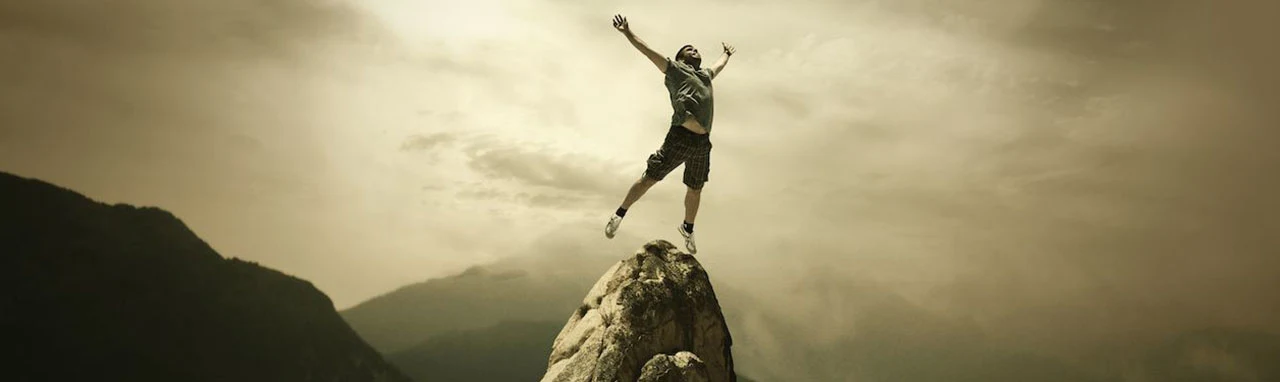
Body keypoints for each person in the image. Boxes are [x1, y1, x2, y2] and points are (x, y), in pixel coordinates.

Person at [604, 14, 735, 255]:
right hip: (680, 137)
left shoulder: (705, 76)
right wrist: (627, 33)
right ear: (681, 58)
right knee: (651, 178)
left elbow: (718, 66)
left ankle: (688, 228)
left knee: (696, 188)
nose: (694, 50)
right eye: (689, 49)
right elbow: (647, 51)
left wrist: (726, 53)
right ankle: (619, 213)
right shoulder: (675, 70)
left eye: (696, 48)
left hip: (702, 143)